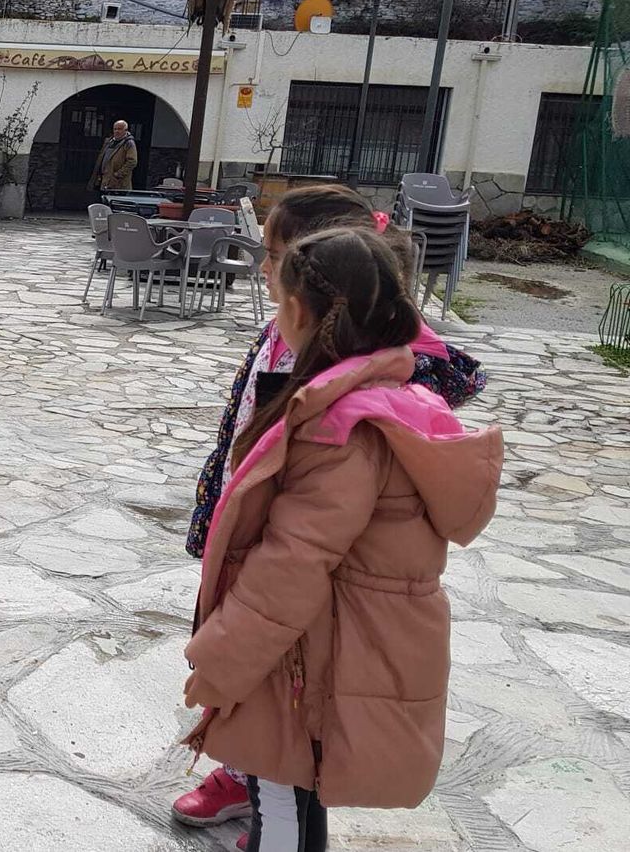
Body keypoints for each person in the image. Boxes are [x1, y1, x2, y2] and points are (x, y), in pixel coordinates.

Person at [174, 184, 486, 844]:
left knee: (286, 793)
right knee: (286, 779)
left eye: (275, 262)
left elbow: (294, 563)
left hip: (305, 646)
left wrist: (222, 662)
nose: (266, 273)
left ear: (304, 308)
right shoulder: (353, 386)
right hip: (301, 638)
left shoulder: (341, 431)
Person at [88, 119, 139, 195]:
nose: (117, 131)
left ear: (125, 130)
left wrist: (118, 174)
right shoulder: (109, 141)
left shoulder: (129, 143)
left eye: (119, 129)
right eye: (115, 129)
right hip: (104, 179)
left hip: (118, 183)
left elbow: (132, 162)